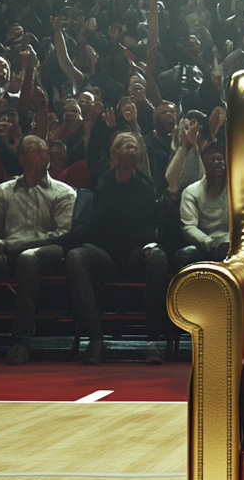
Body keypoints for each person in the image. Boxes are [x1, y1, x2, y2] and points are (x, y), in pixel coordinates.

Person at [57, 132, 172, 364]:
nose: (132, 150)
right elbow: (87, 224)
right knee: (76, 256)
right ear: (114, 153)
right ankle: (96, 341)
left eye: (135, 147)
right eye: (126, 146)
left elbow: (156, 224)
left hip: (135, 254)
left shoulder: (146, 185)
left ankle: (152, 343)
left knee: (158, 257)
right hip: (105, 255)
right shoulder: (101, 182)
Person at [0, 135, 75, 365]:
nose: (39, 155)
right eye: (32, 150)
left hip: (49, 253)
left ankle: (20, 342)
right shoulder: (2, 191)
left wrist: (12, 245)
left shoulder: (64, 192)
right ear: (21, 157)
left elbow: (63, 234)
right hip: (6, 253)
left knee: (28, 257)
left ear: (48, 157)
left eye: (42, 150)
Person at [177, 138, 229, 266]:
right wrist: (210, 244)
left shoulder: (238, 191)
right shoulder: (191, 192)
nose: (218, 164)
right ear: (204, 163)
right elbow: (189, 227)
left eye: (221, 160)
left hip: (231, 244)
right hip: (204, 246)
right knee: (185, 255)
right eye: (212, 160)